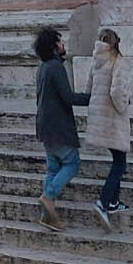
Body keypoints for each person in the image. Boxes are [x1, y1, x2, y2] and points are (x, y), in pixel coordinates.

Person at [32, 27, 89, 228]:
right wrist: (94, 98)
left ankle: (47, 215)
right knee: (72, 162)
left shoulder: (43, 67)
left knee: (53, 167)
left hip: (45, 126)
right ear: (54, 46)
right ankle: (48, 197)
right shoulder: (56, 67)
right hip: (57, 127)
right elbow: (69, 97)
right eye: (60, 42)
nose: (63, 45)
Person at [84, 27, 131, 230]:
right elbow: (117, 91)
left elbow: (89, 88)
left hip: (99, 118)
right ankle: (103, 202)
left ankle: (113, 202)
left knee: (117, 158)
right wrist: (125, 104)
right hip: (113, 119)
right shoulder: (116, 60)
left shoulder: (96, 61)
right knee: (120, 163)